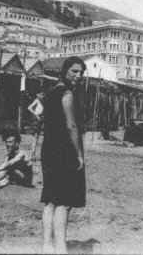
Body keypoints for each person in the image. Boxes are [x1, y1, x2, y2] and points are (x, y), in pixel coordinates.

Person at [40, 56, 86, 253]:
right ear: (65, 70)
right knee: (64, 201)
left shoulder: (50, 92)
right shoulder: (67, 94)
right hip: (64, 150)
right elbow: (71, 126)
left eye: (81, 72)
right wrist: (78, 154)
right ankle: (60, 246)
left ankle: (47, 245)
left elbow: (42, 118)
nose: (78, 75)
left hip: (49, 148)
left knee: (50, 198)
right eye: (74, 71)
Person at [28, 92, 45, 162]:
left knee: (40, 138)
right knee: (35, 138)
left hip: (41, 119)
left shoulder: (43, 102)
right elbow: (29, 108)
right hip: (36, 120)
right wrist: (36, 115)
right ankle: (32, 154)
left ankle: (37, 154)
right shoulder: (37, 100)